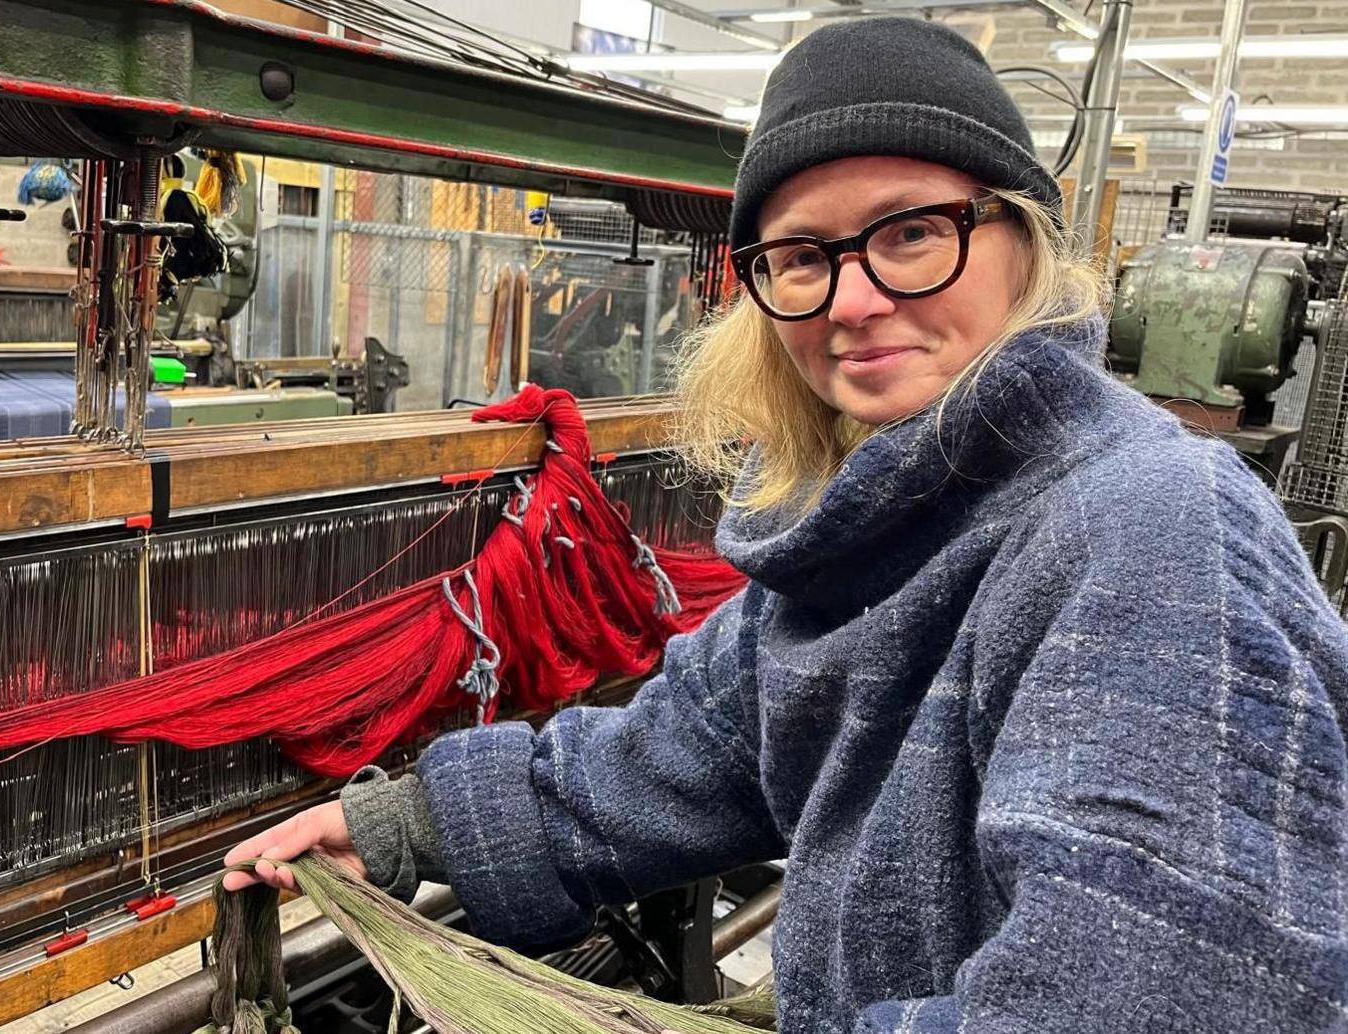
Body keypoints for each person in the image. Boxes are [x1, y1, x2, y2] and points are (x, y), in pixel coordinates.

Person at [226, 17, 1348, 1033]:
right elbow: (695, 743)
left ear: (1025, 242)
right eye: (803, 257)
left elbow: (1159, 993)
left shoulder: (1149, 536)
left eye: (910, 233)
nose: (852, 301)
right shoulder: (871, 526)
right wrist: (400, 824)